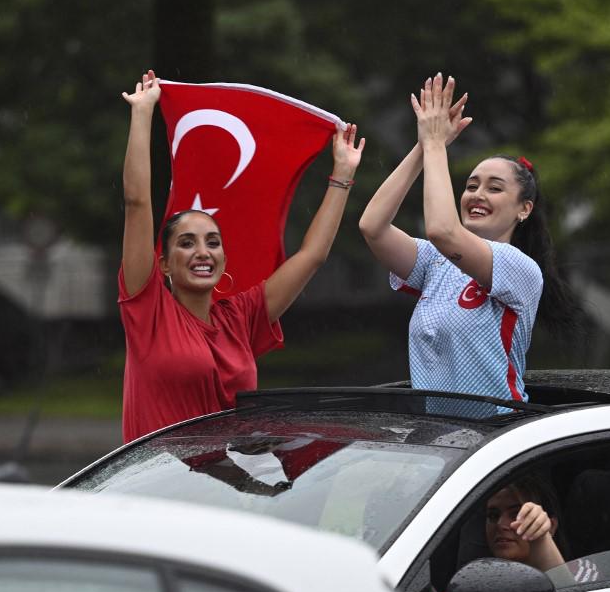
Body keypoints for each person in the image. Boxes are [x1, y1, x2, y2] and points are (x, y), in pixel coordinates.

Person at [118, 70, 365, 442]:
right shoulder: (148, 310)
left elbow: (312, 256)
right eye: (187, 243)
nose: (203, 252)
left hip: (223, 487)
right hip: (158, 493)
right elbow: (137, 203)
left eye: (213, 242)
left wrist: (342, 174)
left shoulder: (240, 316)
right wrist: (142, 114)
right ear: (164, 263)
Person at [358, 73, 580, 415]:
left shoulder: (519, 267)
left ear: (524, 209)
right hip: (441, 437)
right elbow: (373, 226)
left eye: (494, 188)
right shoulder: (436, 262)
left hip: (499, 437)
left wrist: (435, 146)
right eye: (472, 185)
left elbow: (443, 231)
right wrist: (423, 146)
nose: (477, 195)